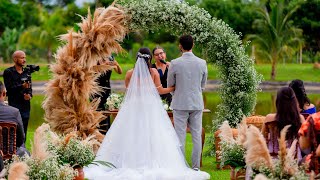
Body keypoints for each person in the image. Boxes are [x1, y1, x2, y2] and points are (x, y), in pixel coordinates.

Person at [84, 48, 210, 179]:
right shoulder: (153, 72)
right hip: (150, 108)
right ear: (149, 58)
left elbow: (129, 90)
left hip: (133, 108)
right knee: (153, 134)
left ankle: (131, 162)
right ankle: (151, 161)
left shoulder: (129, 73)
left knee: (132, 135)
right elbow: (160, 90)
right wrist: (175, 88)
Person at [167, 35, 208, 170]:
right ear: (193, 45)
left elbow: (170, 84)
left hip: (180, 103)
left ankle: (181, 167)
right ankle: (196, 167)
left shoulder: (174, 63)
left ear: (180, 46)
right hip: (196, 103)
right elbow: (203, 85)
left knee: (180, 137)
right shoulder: (202, 63)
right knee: (196, 136)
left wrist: (177, 94)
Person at [262, 87, 305, 158]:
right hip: (294, 159)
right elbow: (304, 143)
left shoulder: (269, 118)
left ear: (278, 101)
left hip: (272, 159)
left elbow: (262, 138)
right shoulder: (300, 119)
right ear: (294, 101)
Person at [3, 50, 32, 142]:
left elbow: (30, 87)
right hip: (14, 106)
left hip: (26, 106)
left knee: (24, 130)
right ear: (15, 59)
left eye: (25, 58)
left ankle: (23, 151)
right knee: (13, 130)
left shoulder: (27, 72)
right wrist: (21, 86)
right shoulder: (8, 72)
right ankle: (12, 152)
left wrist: (29, 95)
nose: (24, 60)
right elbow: (9, 89)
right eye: (22, 57)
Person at [94, 55, 122, 134]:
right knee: (98, 110)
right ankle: (98, 132)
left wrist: (116, 64)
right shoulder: (95, 57)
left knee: (107, 110)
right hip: (97, 89)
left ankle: (106, 132)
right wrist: (104, 65)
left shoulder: (111, 57)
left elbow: (120, 72)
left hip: (107, 88)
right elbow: (93, 71)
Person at [0, 81, 29, 157]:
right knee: (23, 149)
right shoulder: (14, 112)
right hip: (9, 155)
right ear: (3, 94)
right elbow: (21, 138)